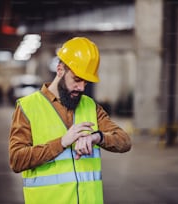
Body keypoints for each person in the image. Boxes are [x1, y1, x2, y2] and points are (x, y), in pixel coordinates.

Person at [8, 37, 131, 204]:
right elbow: (16, 160)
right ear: (60, 70)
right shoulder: (28, 107)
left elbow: (124, 142)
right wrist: (62, 142)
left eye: (85, 82)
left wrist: (97, 137)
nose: (81, 88)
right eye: (77, 79)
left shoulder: (89, 106)